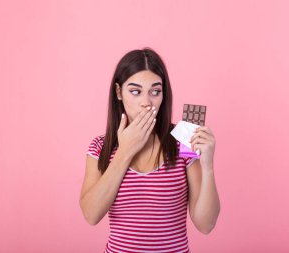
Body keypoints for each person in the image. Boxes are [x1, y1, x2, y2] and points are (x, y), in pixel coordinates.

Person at [79, 47, 220, 253]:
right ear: (119, 92)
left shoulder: (183, 140)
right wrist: (125, 151)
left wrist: (208, 167)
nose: (146, 102)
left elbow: (205, 225)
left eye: (155, 91)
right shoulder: (101, 147)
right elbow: (91, 215)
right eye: (135, 91)